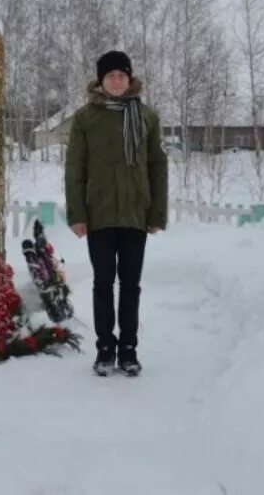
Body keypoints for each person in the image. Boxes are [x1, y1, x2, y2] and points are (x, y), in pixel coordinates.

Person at [64, 50, 168, 377]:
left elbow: (157, 166)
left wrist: (157, 213)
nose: (117, 81)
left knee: (131, 285)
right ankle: (105, 348)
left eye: (122, 75)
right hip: (100, 215)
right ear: (101, 81)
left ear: (129, 78)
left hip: (136, 214)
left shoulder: (147, 117)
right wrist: (77, 214)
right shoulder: (85, 118)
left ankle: (129, 350)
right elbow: (74, 169)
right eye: (110, 76)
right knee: (103, 283)